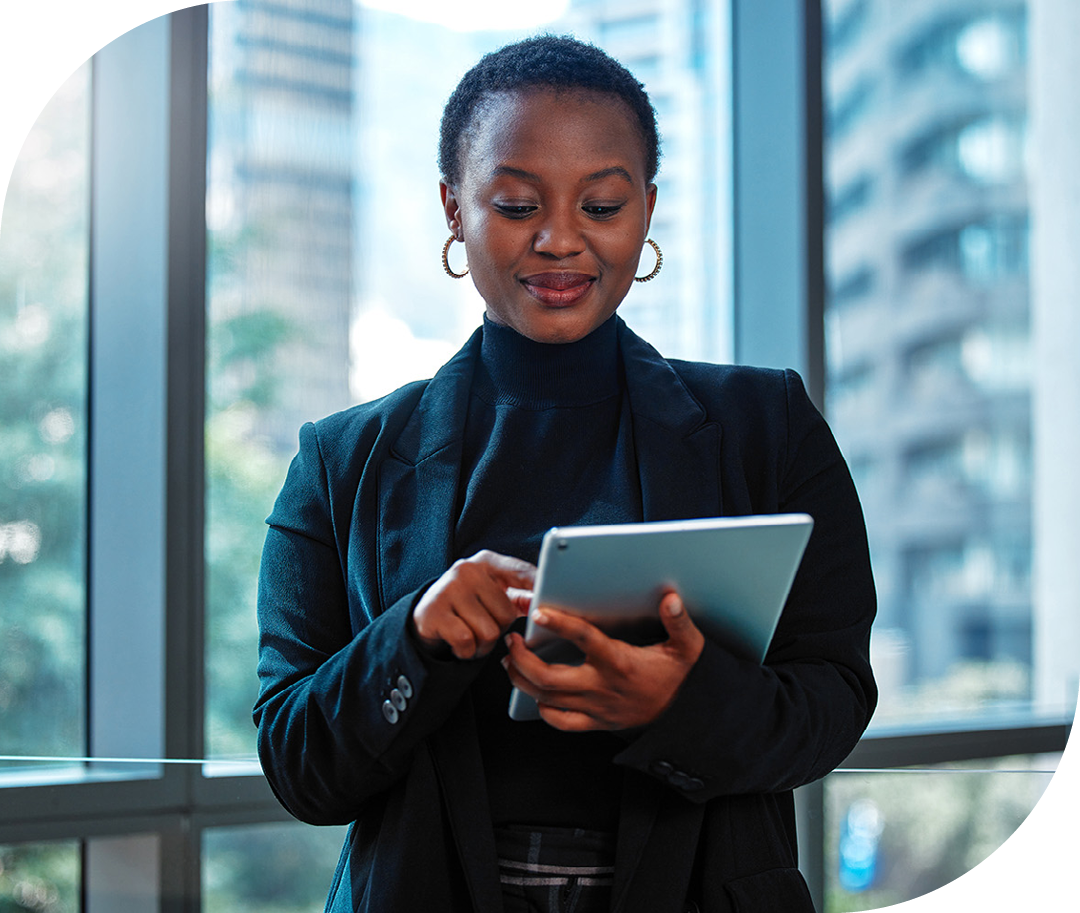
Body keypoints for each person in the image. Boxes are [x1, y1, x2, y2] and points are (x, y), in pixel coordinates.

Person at [254, 35, 876, 913]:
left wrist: (683, 701)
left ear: (648, 209)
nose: (560, 240)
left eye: (603, 203)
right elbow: (296, 764)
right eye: (515, 203)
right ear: (453, 208)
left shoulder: (767, 427)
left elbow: (835, 698)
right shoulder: (341, 460)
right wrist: (416, 637)